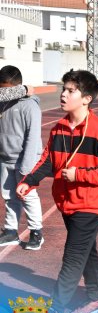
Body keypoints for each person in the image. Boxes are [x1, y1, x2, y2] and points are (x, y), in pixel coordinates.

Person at [17, 69, 98, 313]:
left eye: (70, 91)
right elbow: (47, 161)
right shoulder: (59, 128)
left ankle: (55, 309)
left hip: (91, 204)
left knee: (73, 256)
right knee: (87, 251)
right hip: (67, 202)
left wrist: (80, 175)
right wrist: (28, 181)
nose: (63, 94)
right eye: (63, 89)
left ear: (86, 98)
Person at [0, 66, 45, 250]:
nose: (3, 92)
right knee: (9, 196)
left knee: (27, 195)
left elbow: (32, 138)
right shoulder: (3, 103)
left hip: (24, 160)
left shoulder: (30, 106)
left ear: (14, 86)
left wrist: (26, 167)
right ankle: (11, 231)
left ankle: (36, 232)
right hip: (5, 158)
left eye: (5, 88)